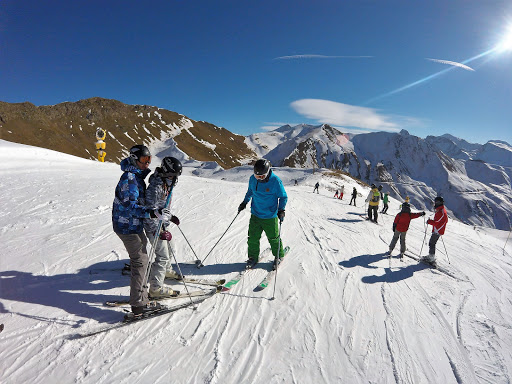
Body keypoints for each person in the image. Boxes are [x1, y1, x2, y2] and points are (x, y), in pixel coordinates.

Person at [112, 145, 172, 316]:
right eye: (144, 160)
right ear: (133, 158)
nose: (147, 164)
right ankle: (139, 305)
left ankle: (141, 296)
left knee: (142, 260)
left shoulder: (137, 177)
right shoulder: (129, 179)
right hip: (127, 226)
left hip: (133, 225)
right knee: (140, 262)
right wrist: (152, 213)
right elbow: (131, 207)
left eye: (149, 160)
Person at [144, 157, 184, 299]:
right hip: (153, 226)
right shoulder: (156, 187)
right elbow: (150, 211)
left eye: (176, 176)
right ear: (166, 173)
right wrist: (158, 232)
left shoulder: (167, 183)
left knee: (171, 246)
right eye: (173, 175)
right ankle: (155, 288)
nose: (175, 179)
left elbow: (162, 209)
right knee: (162, 256)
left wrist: (170, 217)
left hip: (161, 224)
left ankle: (166, 270)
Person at [238, 159, 288, 269]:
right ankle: (252, 257)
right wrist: (244, 202)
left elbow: (283, 197)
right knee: (253, 238)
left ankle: (279, 256)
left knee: (274, 238)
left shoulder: (275, 181)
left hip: (270, 216)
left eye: (262, 176)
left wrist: (281, 210)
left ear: (268, 172)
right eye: (257, 176)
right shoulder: (252, 179)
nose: (259, 178)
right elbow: (250, 191)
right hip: (255, 214)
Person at [421, 196, 448, 266]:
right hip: (438, 229)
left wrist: (429, 221)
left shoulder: (440, 212)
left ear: (439, 202)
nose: (434, 203)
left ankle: (431, 259)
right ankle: (431, 257)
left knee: (432, 243)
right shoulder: (440, 210)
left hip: (437, 230)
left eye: (436, 202)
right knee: (432, 243)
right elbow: (444, 220)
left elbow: (436, 222)